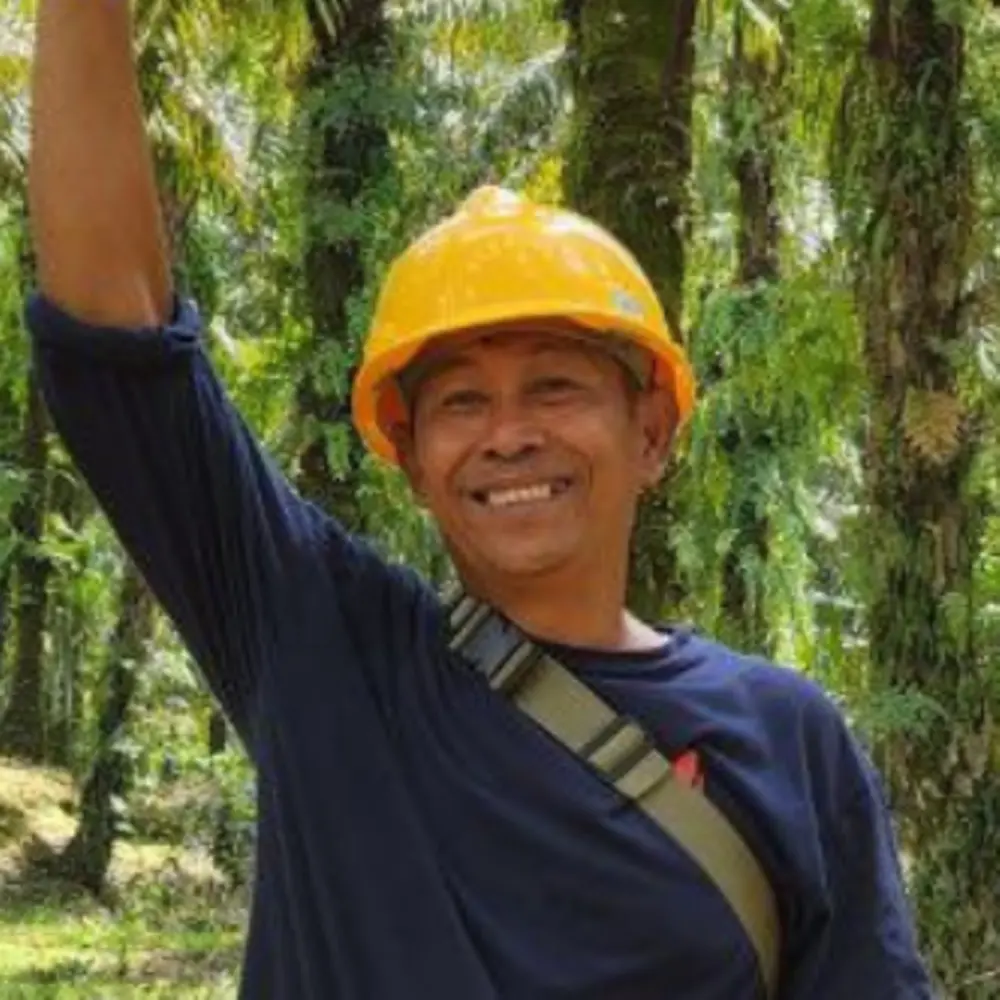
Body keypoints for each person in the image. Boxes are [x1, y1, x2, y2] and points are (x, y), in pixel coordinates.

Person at [25, 2, 934, 998]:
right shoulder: (323, 643)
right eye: (462, 401)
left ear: (653, 433)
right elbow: (115, 332)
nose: (508, 431)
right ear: (410, 459)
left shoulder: (785, 736)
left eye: (556, 384)